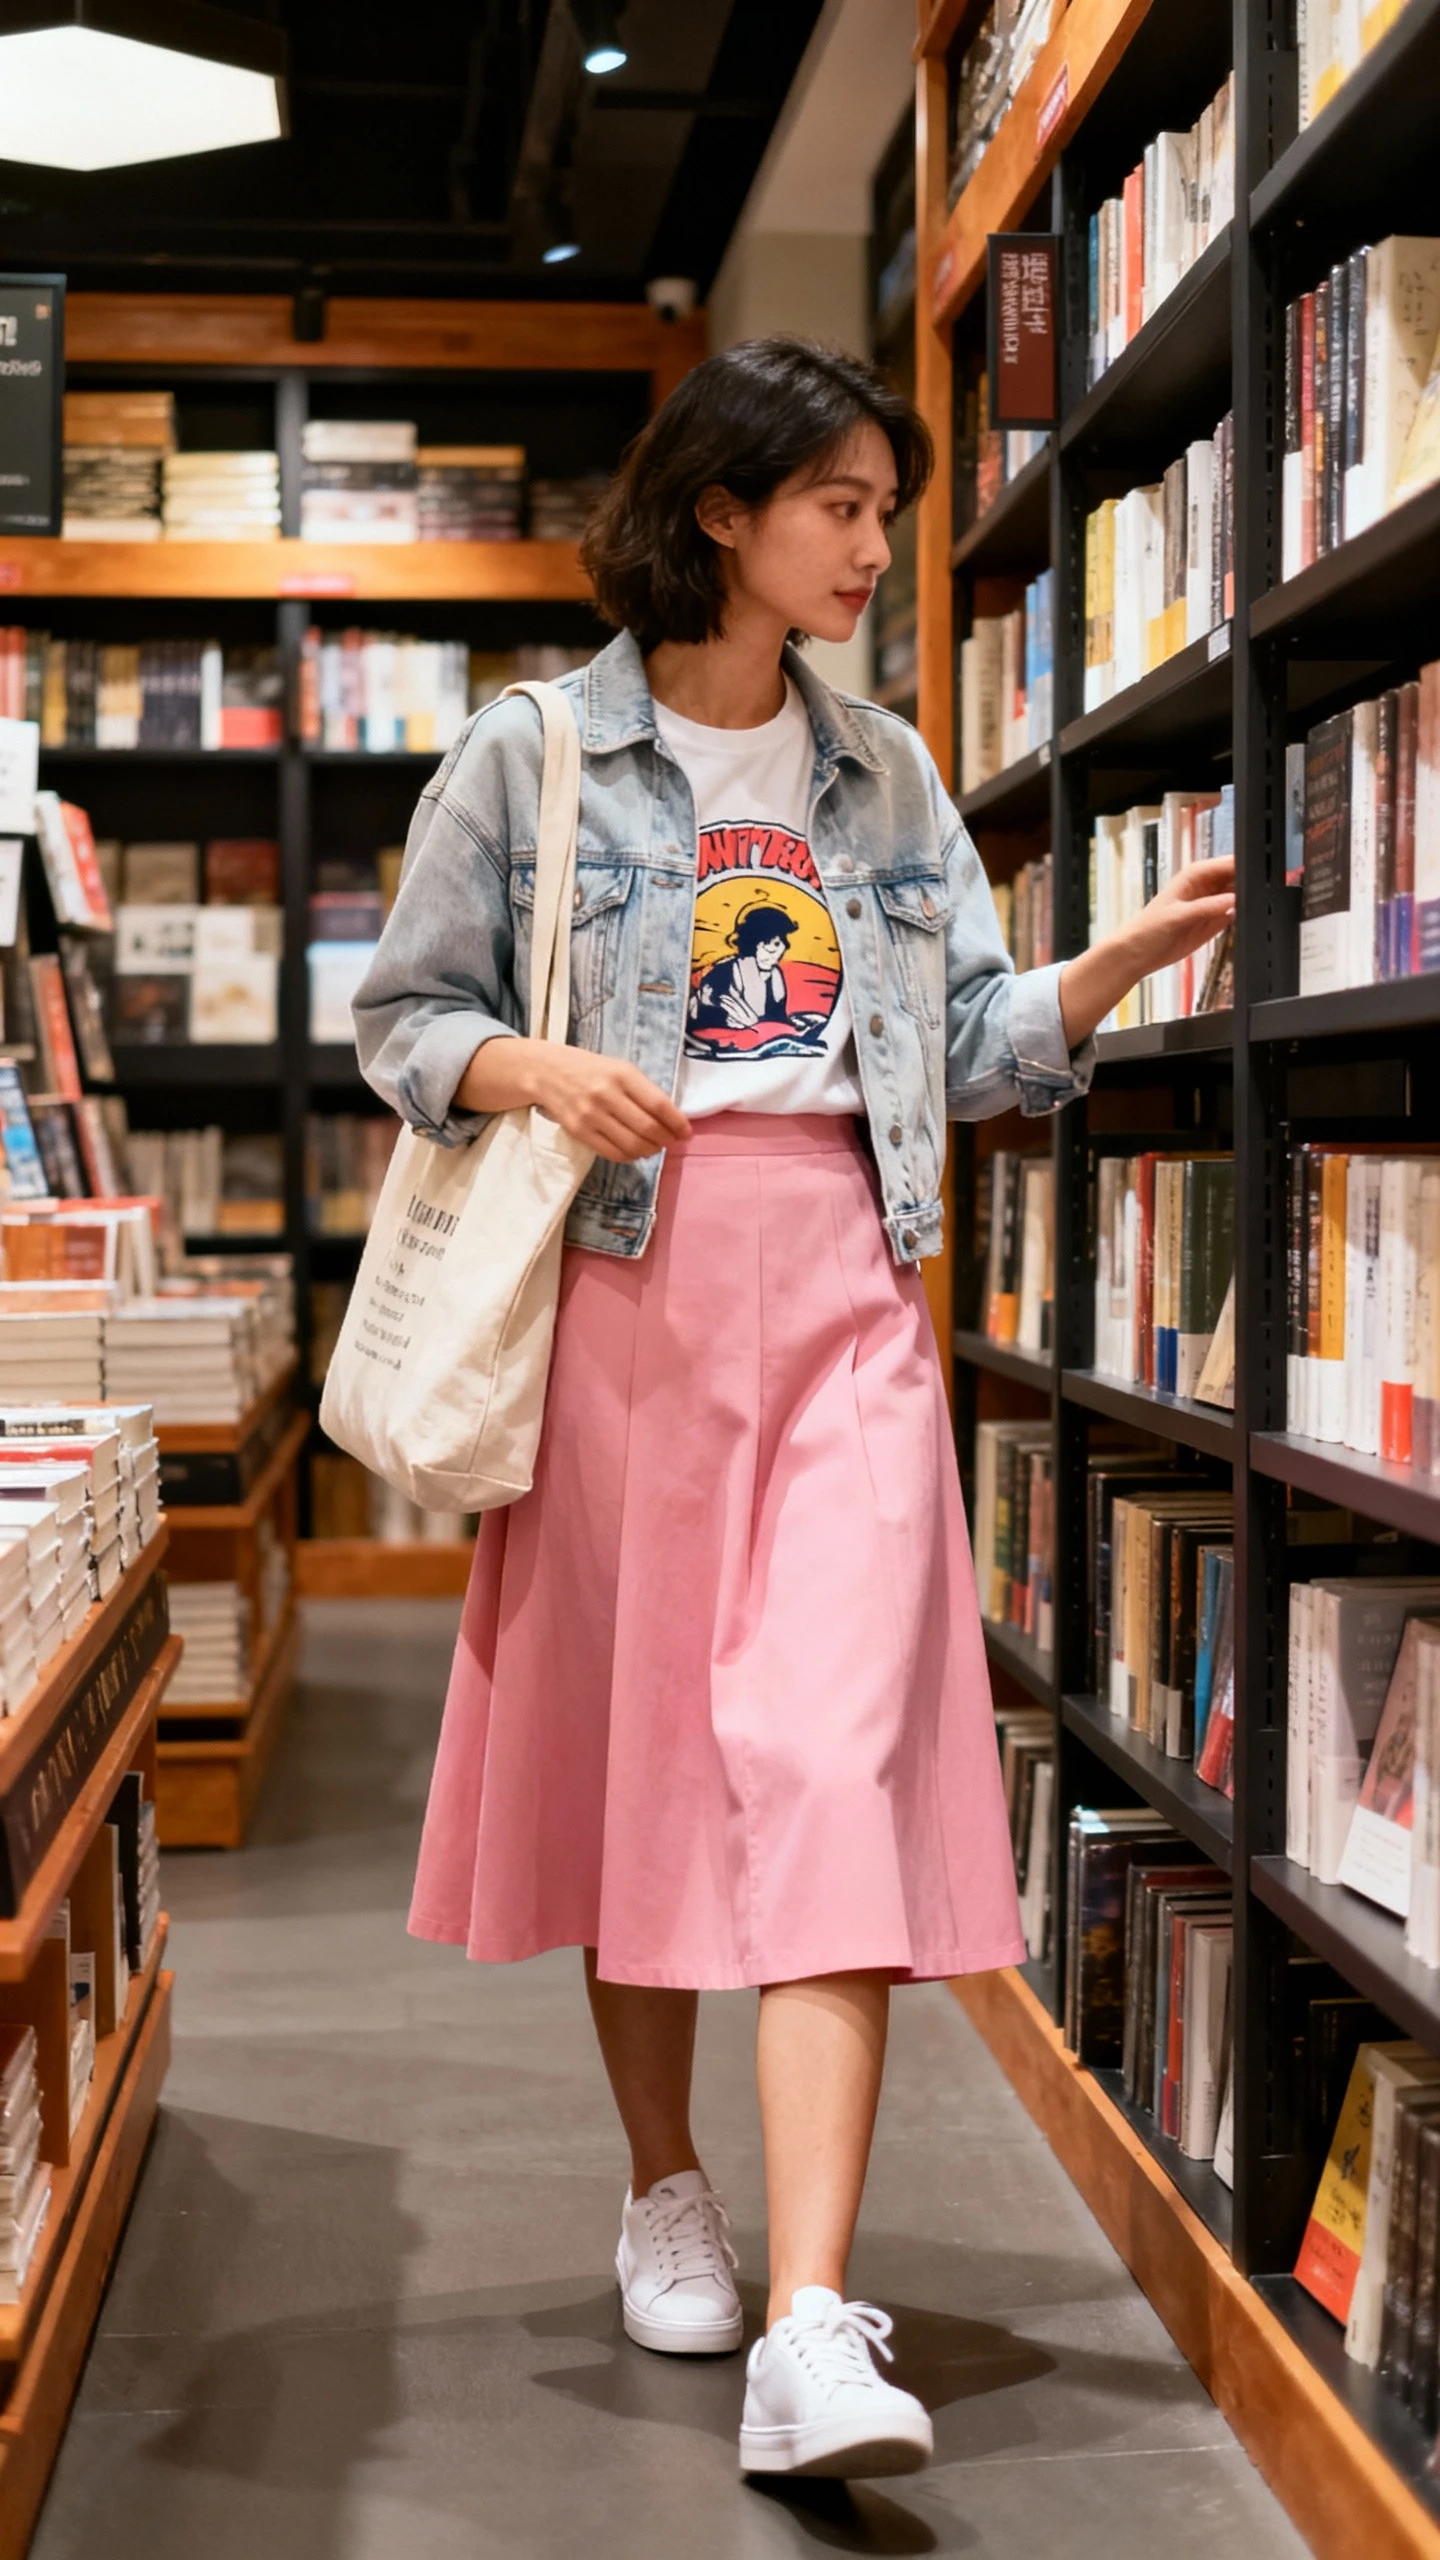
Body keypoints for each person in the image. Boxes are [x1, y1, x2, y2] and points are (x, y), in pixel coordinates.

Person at [353, 336, 1235, 2483]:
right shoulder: (535, 752)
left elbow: (959, 1033)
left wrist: (1092, 990)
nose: (869, 541)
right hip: (629, 1301)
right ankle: (670, 2176)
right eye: (837, 500)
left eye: (880, 504)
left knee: (829, 1754)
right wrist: (537, 1067)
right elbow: (406, 1015)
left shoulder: (890, 775)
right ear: (724, 509)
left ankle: (815, 2321)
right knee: (658, 1769)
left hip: (845, 1288)